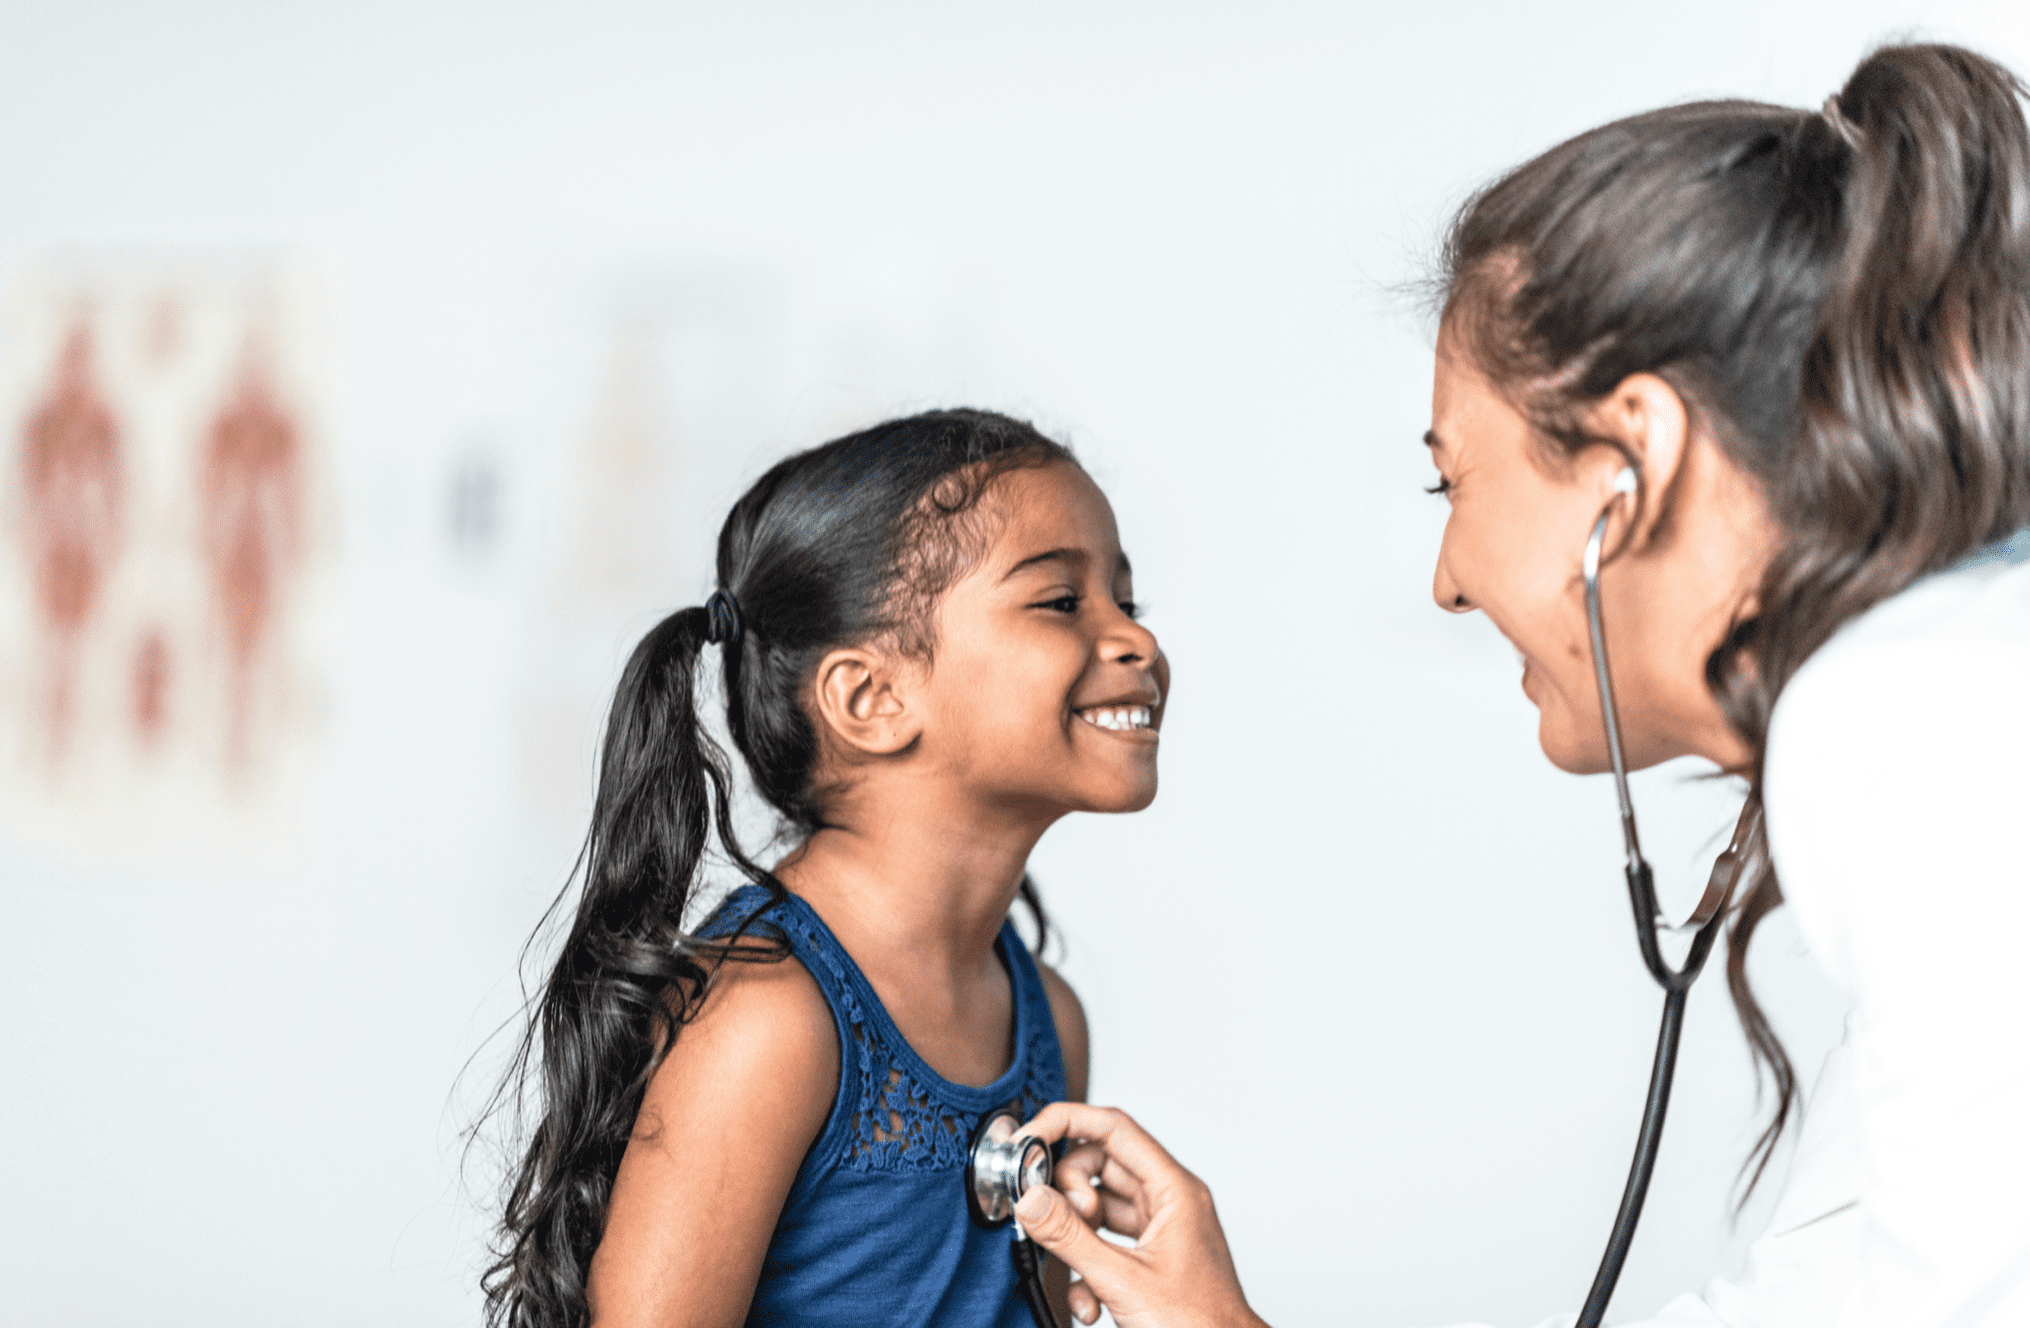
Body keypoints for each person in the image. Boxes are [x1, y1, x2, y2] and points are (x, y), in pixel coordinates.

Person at [1010, 42, 2030, 1328]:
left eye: (1453, 481)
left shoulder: (1900, 723)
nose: (1445, 579)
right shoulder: (1945, 699)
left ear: (1631, 460)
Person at [477, 408, 1170, 1327]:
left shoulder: (1050, 1021)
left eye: (1129, 603)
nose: (1136, 641)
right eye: (1060, 602)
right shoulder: (768, 1027)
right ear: (870, 697)